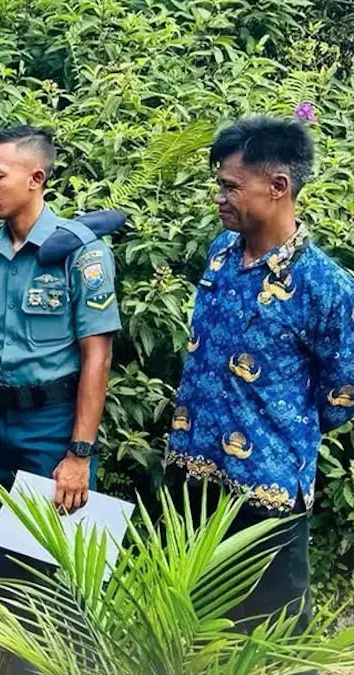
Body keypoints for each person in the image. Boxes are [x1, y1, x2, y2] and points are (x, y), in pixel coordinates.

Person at [166, 116, 354, 627]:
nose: (219, 197)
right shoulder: (220, 253)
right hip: (193, 472)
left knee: (270, 634)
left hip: (265, 490)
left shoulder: (326, 286)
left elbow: (341, 393)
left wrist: (274, 428)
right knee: (192, 624)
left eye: (230, 186)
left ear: (278, 187)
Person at [0, 126, 121, 582]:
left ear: (36, 178)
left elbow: (97, 358)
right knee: (0, 563)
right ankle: (13, 656)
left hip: (51, 429)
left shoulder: (80, 253)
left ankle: (67, 656)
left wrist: (79, 455)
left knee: (58, 568)